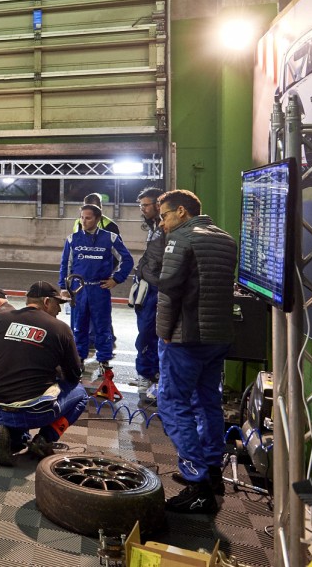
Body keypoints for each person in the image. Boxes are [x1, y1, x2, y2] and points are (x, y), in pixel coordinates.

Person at [155, 189, 236, 514]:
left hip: (185, 338)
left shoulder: (182, 238)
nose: (162, 223)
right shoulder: (225, 239)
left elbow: (169, 290)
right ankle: (212, 471)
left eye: (164, 216)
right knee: (208, 402)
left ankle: (197, 481)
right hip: (218, 336)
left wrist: (163, 335)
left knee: (173, 404)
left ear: (182, 213)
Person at [0, 281, 89, 467]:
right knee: (81, 394)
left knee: (19, 392)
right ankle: (44, 439)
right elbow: (74, 376)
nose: (59, 310)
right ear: (47, 301)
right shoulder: (60, 329)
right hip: (36, 411)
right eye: (58, 304)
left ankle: (10, 435)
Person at [59, 204, 133, 370]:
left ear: (98, 219)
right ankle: (79, 358)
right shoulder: (72, 239)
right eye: (82, 217)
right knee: (79, 326)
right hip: (79, 290)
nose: (84, 221)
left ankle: (104, 360)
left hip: (100, 289)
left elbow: (127, 260)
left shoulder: (110, 238)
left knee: (102, 326)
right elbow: (65, 264)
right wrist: (64, 287)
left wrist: (116, 279)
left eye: (88, 218)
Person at [132, 187, 164, 401]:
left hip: (157, 289)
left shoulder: (167, 228)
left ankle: (151, 375)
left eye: (145, 205)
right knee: (145, 332)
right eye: (141, 205)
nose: (142, 209)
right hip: (147, 286)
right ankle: (148, 374)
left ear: (158, 205)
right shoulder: (153, 227)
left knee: (149, 333)